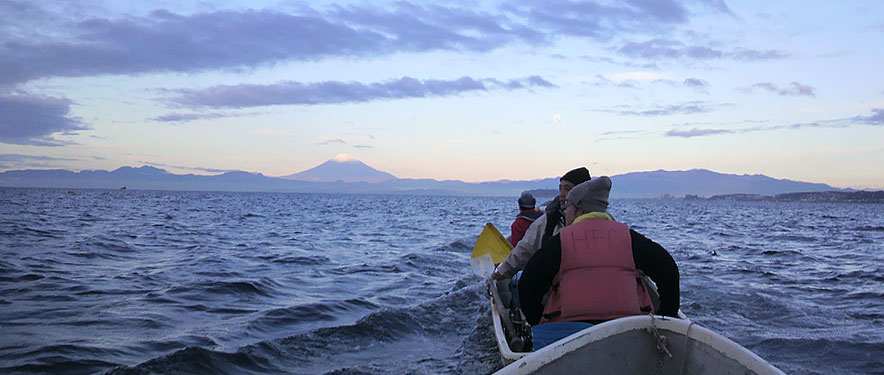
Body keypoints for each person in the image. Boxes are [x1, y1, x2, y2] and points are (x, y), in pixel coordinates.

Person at [517, 176, 680, 349]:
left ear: (579, 210)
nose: (565, 213)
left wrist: (537, 322)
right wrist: (665, 317)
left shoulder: (560, 242)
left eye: (568, 209)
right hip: (629, 331)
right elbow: (669, 270)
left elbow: (527, 285)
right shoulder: (629, 238)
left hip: (568, 333)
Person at [491, 167, 591, 280]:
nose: (562, 194)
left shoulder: (600, 222)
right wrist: (501, 272)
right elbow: (524, 249)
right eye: (560, 188)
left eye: (567, 189)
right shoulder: (547, 222)